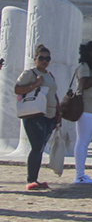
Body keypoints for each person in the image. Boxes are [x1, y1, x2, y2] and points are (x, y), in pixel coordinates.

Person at [15, 44, 59, 191]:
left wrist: (58, 113)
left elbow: (53, 94)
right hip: (34, 114)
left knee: (41, 147)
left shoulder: (50, 74)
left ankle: (35, 178)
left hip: (50, 114)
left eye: (47, 58)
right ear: (35, 59)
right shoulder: (30, 73)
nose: (44, 61)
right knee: (36, 146)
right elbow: (17, 89)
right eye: (41, 58)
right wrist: (35, 84)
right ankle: (31, 179)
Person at [73, 40, 92, 184]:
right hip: (85, 108)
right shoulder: (84, 66)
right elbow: (85, 84)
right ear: (89, 53)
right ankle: (79, 175)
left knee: (87, 141)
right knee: (82, 141)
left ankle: (82, 174)